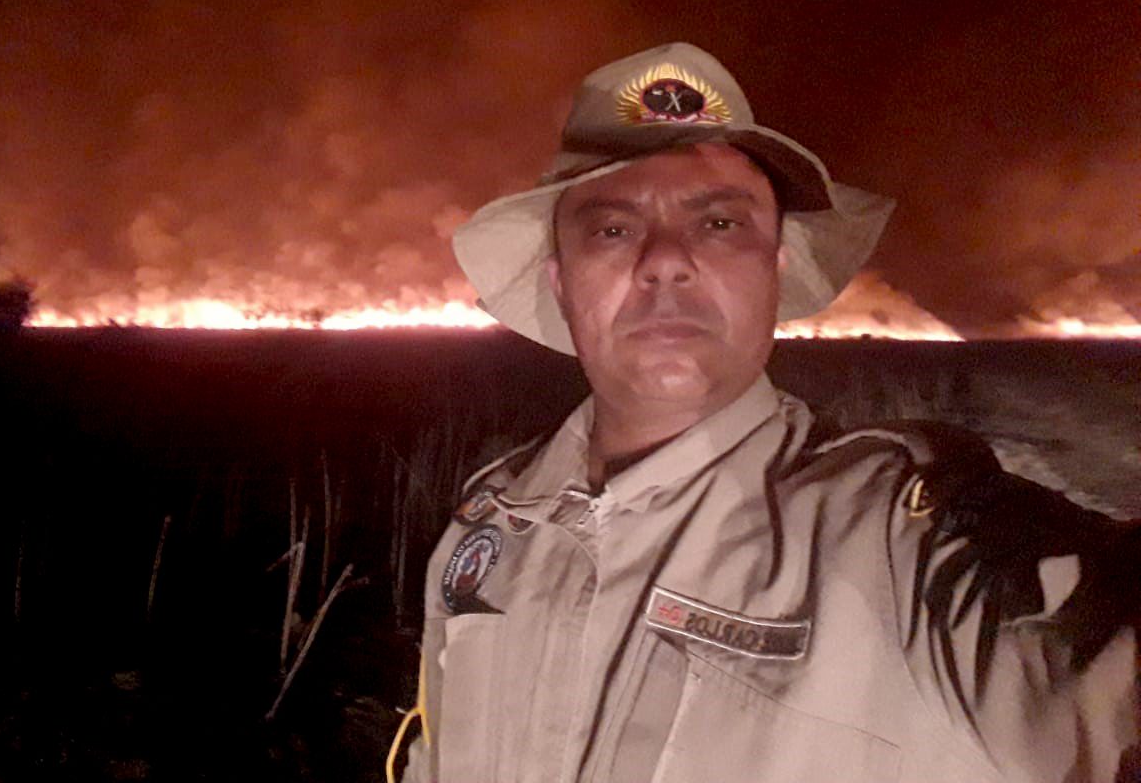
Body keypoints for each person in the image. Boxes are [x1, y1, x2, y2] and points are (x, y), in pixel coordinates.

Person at [391, 43, 1140, 783]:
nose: (663, 259)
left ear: (774, 270)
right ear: (561, 282)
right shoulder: (488, 528)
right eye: (612, 229)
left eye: (718, 224)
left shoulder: (895, 540)